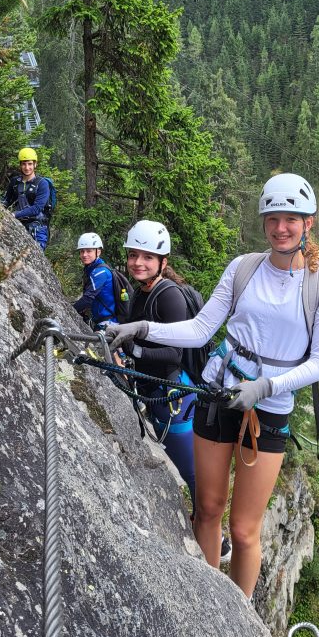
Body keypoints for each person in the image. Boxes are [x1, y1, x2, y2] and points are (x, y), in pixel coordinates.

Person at [105, 174, 319, 597]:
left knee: (245, 528)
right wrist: (142, 328)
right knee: (208, 508)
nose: (280, 227)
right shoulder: (244, 268)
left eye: (291, 219)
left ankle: (241, 624)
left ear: (309, 223)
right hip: (219, 391)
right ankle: (206, 603)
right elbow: (199, 330)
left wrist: (267, 387)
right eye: (273, 218)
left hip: (267, 409)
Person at [121, 220, 199, 517]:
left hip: (173, 394)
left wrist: (135, 349)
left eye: (147, 257)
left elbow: (176, 353)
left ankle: (215, 536)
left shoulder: (168, 296)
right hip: (157, 392)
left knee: (189, 469)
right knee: (184, 464)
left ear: (162, 262)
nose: (138, 262)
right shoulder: (142, 291)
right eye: (133, 255)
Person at [2, 147, 50, 250]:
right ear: (20, 165)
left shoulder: (42, 184)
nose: (27, 167)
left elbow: (37, 208)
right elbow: (7, 200)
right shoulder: (15, 182)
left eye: (29, 164)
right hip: (18, 224)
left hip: (37, 227)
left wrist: (15, 214)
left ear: (35, 164)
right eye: (24, 164)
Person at [73, 233, 120, 330]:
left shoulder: (100, 272)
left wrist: (69, 310)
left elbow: (88, 298)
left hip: (108, 324)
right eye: (82, 251)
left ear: (98, 252)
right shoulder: (92, 269)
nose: (84, 255)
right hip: (102, 322)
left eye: (89, 251)